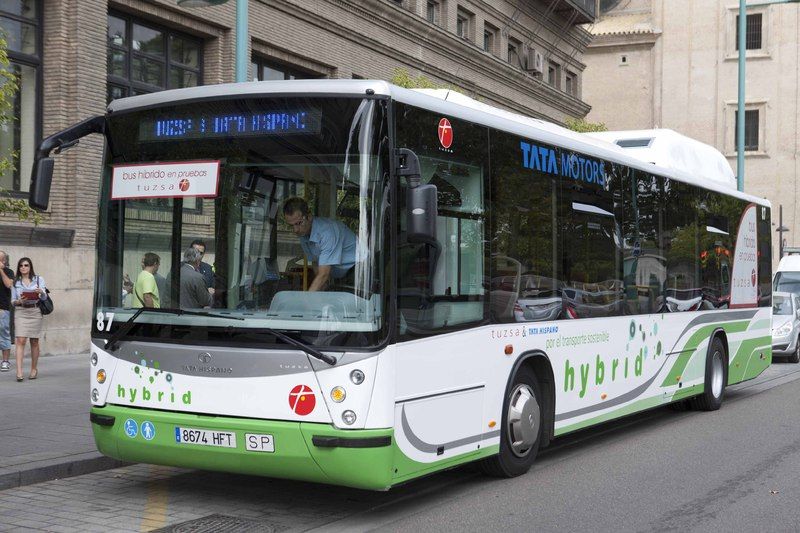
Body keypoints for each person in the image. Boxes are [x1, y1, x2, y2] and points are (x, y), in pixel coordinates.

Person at [282, 197, 358, 292]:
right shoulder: (303, 234)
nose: (295, 230)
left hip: (360, 269)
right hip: (341, 274)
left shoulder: (327, 232)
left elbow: (324, 274)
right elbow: (315, 262)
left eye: (298, 223)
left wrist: (307, 301)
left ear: (309, 216)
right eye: (291, 225)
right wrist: (321, 288)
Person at [10, 257, 48, 382]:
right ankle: (19, 372)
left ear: (30, 267)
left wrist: (40, 292)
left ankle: (33, 368)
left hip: (35, 311)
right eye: (21, 265)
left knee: (34, 341)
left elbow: (44, 297)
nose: (23, 267)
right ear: (18, 268)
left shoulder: (38, 279)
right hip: (21, 311)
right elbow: (13, 301)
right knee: (20, 340)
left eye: (26, 265)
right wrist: (19, 301)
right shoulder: (16, 282)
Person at [0, 251, 14, 373]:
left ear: (4, 261)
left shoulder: (9, 272)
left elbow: (9, 284)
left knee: (4, 335)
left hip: (2, 309)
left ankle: (5, 361)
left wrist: (1, 270)